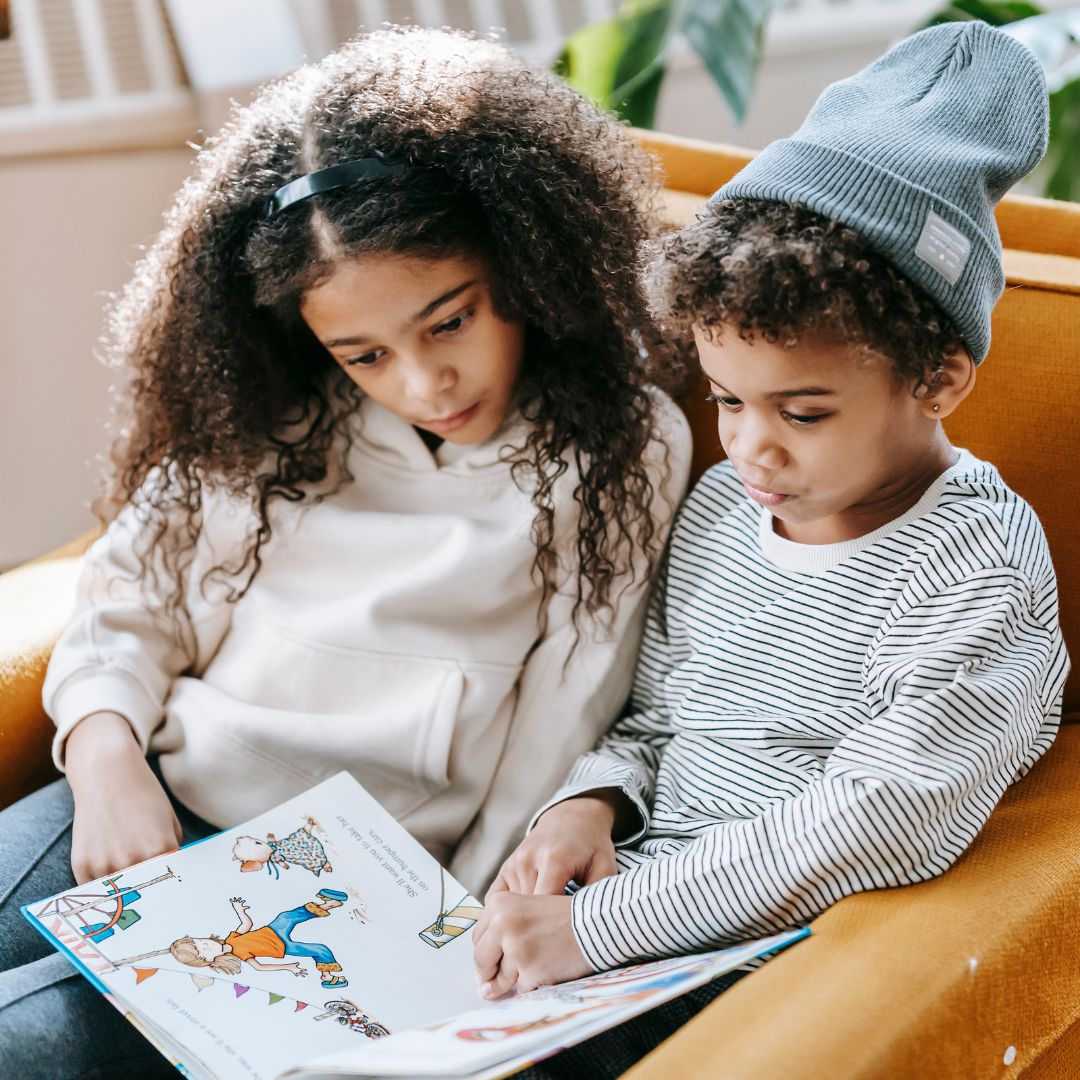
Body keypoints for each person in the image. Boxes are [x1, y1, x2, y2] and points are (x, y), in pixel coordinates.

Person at [0, 27, 692, 1075]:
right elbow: (132, 595)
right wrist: (104, 758)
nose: (424, 384)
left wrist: (456, 926)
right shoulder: (279, 416)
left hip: (349, 891)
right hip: (150, 804)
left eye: (449, 322)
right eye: (364, 353)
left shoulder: (620, 443)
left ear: (520, 262)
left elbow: (570, 707)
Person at [472, 21, 1069, 1077]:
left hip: (743, 964)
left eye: (801, 411)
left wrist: (599, 932)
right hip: (621, 920)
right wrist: (590, 802)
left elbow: (884, 818)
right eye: (728, 400)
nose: (750, 447)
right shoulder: (719, 510)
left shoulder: (977, 564)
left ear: (937, 379)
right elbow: (659, 716)